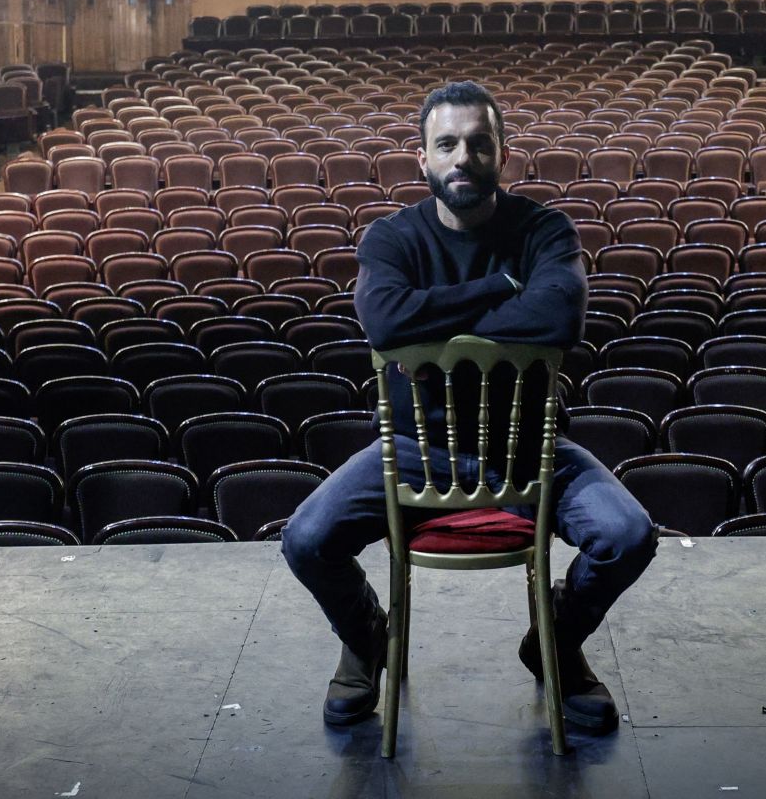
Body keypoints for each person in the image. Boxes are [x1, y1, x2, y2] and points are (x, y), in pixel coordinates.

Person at [281, 80, 658, 734]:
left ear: (502, 155)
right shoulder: (391, 240)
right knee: (307, 539)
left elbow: (559, 313)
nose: (463, 157)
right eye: (447, 144)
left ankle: (556, 645)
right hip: (413, 449)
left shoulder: (545, 229)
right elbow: (385, 322)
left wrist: (435, 339)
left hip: (528, 448)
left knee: (628, 535)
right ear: (421, 157)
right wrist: (499, 288)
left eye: (479, 144)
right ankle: (369, 638)